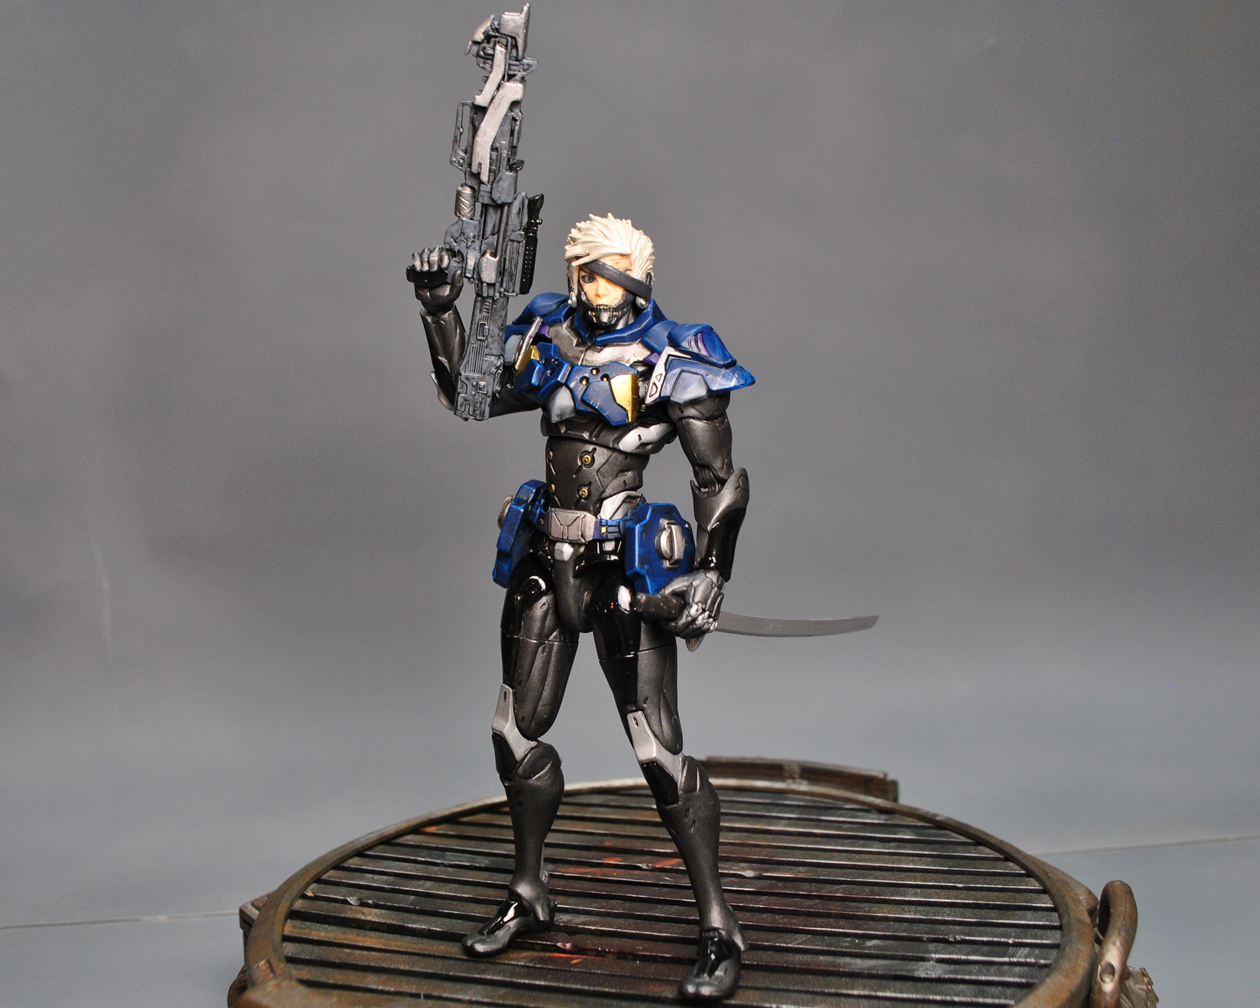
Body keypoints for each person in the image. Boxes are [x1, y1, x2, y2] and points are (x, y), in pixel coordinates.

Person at [410, 213, 753, 1002]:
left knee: (654, 748)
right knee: (515, 730)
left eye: (606, 274)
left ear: (638, 277)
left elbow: (718, 479)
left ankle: (718, 923)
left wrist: (711, 573)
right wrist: (439, 311)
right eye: (584, 273)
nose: (592, 288)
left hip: (621, 565)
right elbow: (469, 396)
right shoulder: (551, 334)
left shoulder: (676, 355)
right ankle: (529, 890)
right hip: (546, 555)